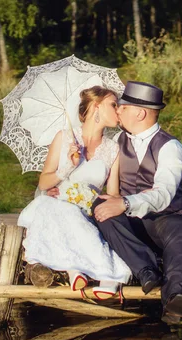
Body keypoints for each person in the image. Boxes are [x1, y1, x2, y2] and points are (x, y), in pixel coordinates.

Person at [92, 81, 182, 324]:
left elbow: (163, 193)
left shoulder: (171, 147)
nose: (117, 110)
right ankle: (146, 271)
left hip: (163, 219)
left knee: (180, 233)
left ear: (139, 113)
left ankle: (176, 298)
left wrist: (126, 203)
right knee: (102, 210)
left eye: (122, 107)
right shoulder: (116, 141)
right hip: (128, 225)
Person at [18, 86, 132, 299]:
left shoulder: (112, 149)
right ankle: (98, 272)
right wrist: (67, 169)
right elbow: (44, 183)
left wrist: (96, 201)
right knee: (51, 205)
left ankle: (78, 269)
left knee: (67, 212)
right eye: (113, 105)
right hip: (56, 204)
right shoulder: (64, 138)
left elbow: (113, 193)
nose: (118, 110)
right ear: (96, 106)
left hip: (89, 211)